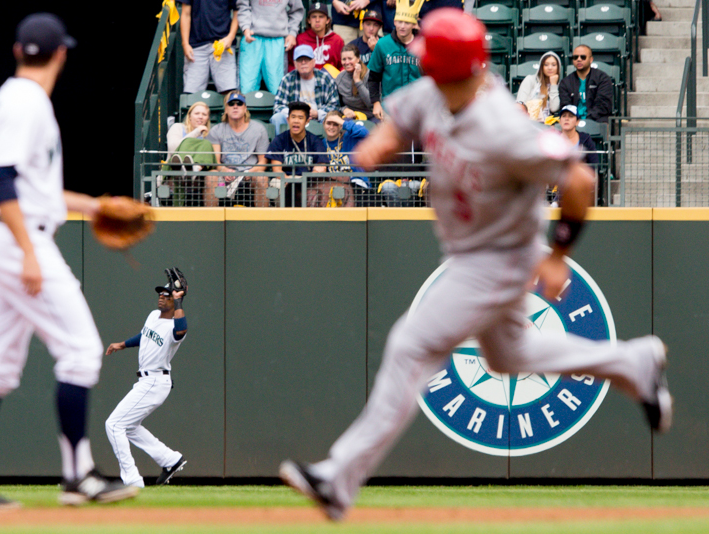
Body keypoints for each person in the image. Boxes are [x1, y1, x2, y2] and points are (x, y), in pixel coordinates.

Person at [279, 9, 671, 521]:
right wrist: (377, 147)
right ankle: (632, 363)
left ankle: (338, 478)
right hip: (470, 249)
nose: (422, 66)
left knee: (410, 344)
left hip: (502, 257)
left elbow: (579, 182)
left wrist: (558, 255)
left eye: (430, 59)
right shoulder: (433, 92)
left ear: (450, 67)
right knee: (510, 354)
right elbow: (400, 126)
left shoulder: (503, 126)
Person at [0, 13, 140, 509]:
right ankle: (79, 476)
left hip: (9, 235)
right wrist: (29, 252)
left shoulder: (17, 99)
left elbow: (32, 188)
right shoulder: (27, 104)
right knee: (82, 351)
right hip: (18, 241)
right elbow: (4, 182)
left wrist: (93, 206)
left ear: (17, 51)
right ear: (62, 54)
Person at [104, 271, 189, 489]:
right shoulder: (153, 315)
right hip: (146, 381)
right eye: (160, 292)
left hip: (155, 381)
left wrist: (178, 300)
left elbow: (181, 330)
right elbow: (144, 336)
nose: (161, 296)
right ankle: (170, 460)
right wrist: (122, 344)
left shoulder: (175, 326)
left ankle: (132, 481)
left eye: (166, 294)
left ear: (175, 299)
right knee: (129, 427)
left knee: (113, 425)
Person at [206, 93, 271, 207]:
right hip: (226, 174)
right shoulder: (216, 130)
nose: (235, 106)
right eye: (231, 104)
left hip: (250, 174)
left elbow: (263, 162)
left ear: (245, 108)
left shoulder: (259, 129)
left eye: (239, 103)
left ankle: (262, 222)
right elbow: (216, 162)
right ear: (226, 109)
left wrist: (249, 172)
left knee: (262, 177)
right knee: (211, 176)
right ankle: (212, 222)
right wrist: (224, 169)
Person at [367, 0, 423, 120]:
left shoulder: (423, 45)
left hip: (418, 109)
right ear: (394, 21)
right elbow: (373, 78)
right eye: (399, 22)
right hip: (390, 109)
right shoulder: (382, 44)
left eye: (407, 22)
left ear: (414, 24)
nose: (402, 26)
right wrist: (376, 103)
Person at [266, 101, 329, 206]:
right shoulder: (279, 140)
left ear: (307, 121)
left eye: (300, 118)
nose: (296, 121)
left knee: (318, 189)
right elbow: (277, 170)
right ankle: (285, 217)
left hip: (308, 181)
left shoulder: (315, 141)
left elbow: (321, 167)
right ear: (288, 119)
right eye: (293, 117)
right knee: (276, 185)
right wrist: (289, 180)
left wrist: (303, 180)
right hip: (285, 179)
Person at [237, 0, 304, 94]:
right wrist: (245, 28)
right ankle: (246, 109)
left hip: (277, 39)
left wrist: (292, 33)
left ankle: (279, 109)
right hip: (252, 37)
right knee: (246, 90)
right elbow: (243, 5)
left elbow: (297, 10)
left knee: (278, 90)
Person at [271, 45, 341, 134]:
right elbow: (278, 106)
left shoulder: (325, 78)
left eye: (307, 59)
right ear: (295, 64)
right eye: (300, 60)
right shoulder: (287, 79)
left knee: (331, 119)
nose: (303, 62)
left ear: (314, 62)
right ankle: (282, 146)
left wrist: (318, 113)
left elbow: (335, 106)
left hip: (318, 118)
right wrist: (295, 114)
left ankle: (328, 147)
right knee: (276, 118)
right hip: (294, 120)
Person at [177, 0, 239, 94]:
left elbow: (238, 11)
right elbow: (185, 14)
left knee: (229, 93)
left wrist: (230, 37)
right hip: (196, 46)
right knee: (192, 95)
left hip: (223, 45)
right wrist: (185, 44)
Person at [165, 102, 214, 206]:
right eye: (197, 113)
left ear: (207, 119)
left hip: (199, 178)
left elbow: (211, 160)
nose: (200, 117)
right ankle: (185, 170)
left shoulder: (209, 135)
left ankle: (194, 169)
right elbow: (173, 149)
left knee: (206, 144)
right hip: (174, 171)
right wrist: (196, 132)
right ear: (189, 116)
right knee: (190, 143)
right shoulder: (177, 127)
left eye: (204, 115)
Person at [322, 112, 371, 206]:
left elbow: (365, 133)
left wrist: (343, 122)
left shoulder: (349, 137)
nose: (331, 127)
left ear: (340, 126)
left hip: (356, 183)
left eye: (335, 124)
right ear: (323, 124)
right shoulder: (321, 144)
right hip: (333, 185)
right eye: (328, 123)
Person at [560, 45, 613, 124]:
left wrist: (587, 120)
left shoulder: (602, 78)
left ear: (591, 59)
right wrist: (576, 120)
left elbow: (603, 105)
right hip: (573, 122)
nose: (579, 59)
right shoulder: (566, 82)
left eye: (583, 57)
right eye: (575, 57)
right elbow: (566, 105)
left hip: (596, 120)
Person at [293, 3, 345, 72]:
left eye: (321, 17)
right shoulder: (300, 39)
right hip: (306, 78)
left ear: (327, 20)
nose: (317, 20)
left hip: (331, 80)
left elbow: (342, 66)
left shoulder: (337, 40)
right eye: (314, 17)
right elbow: (292, 65)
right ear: (309, 20)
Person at [515, 52, 562, 123]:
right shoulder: (530, 80)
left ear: (558, 67)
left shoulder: (559, 85)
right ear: (541, 67)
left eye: (553, 65)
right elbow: (520, 104)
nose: (550, 68)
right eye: (546, 65)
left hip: (548, 124)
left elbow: (554, 108)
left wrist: (553, 85)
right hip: (529, 122)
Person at [337, 44, 373, 120]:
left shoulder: (369, 75)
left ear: (358, 59)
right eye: (344, 59)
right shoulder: (340, 78)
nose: (347, 62)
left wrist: (357, 80)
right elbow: (337, 104)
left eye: (350, 58)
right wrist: (344, 109)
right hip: (350, 117)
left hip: (370, 117)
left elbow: (372, 104)